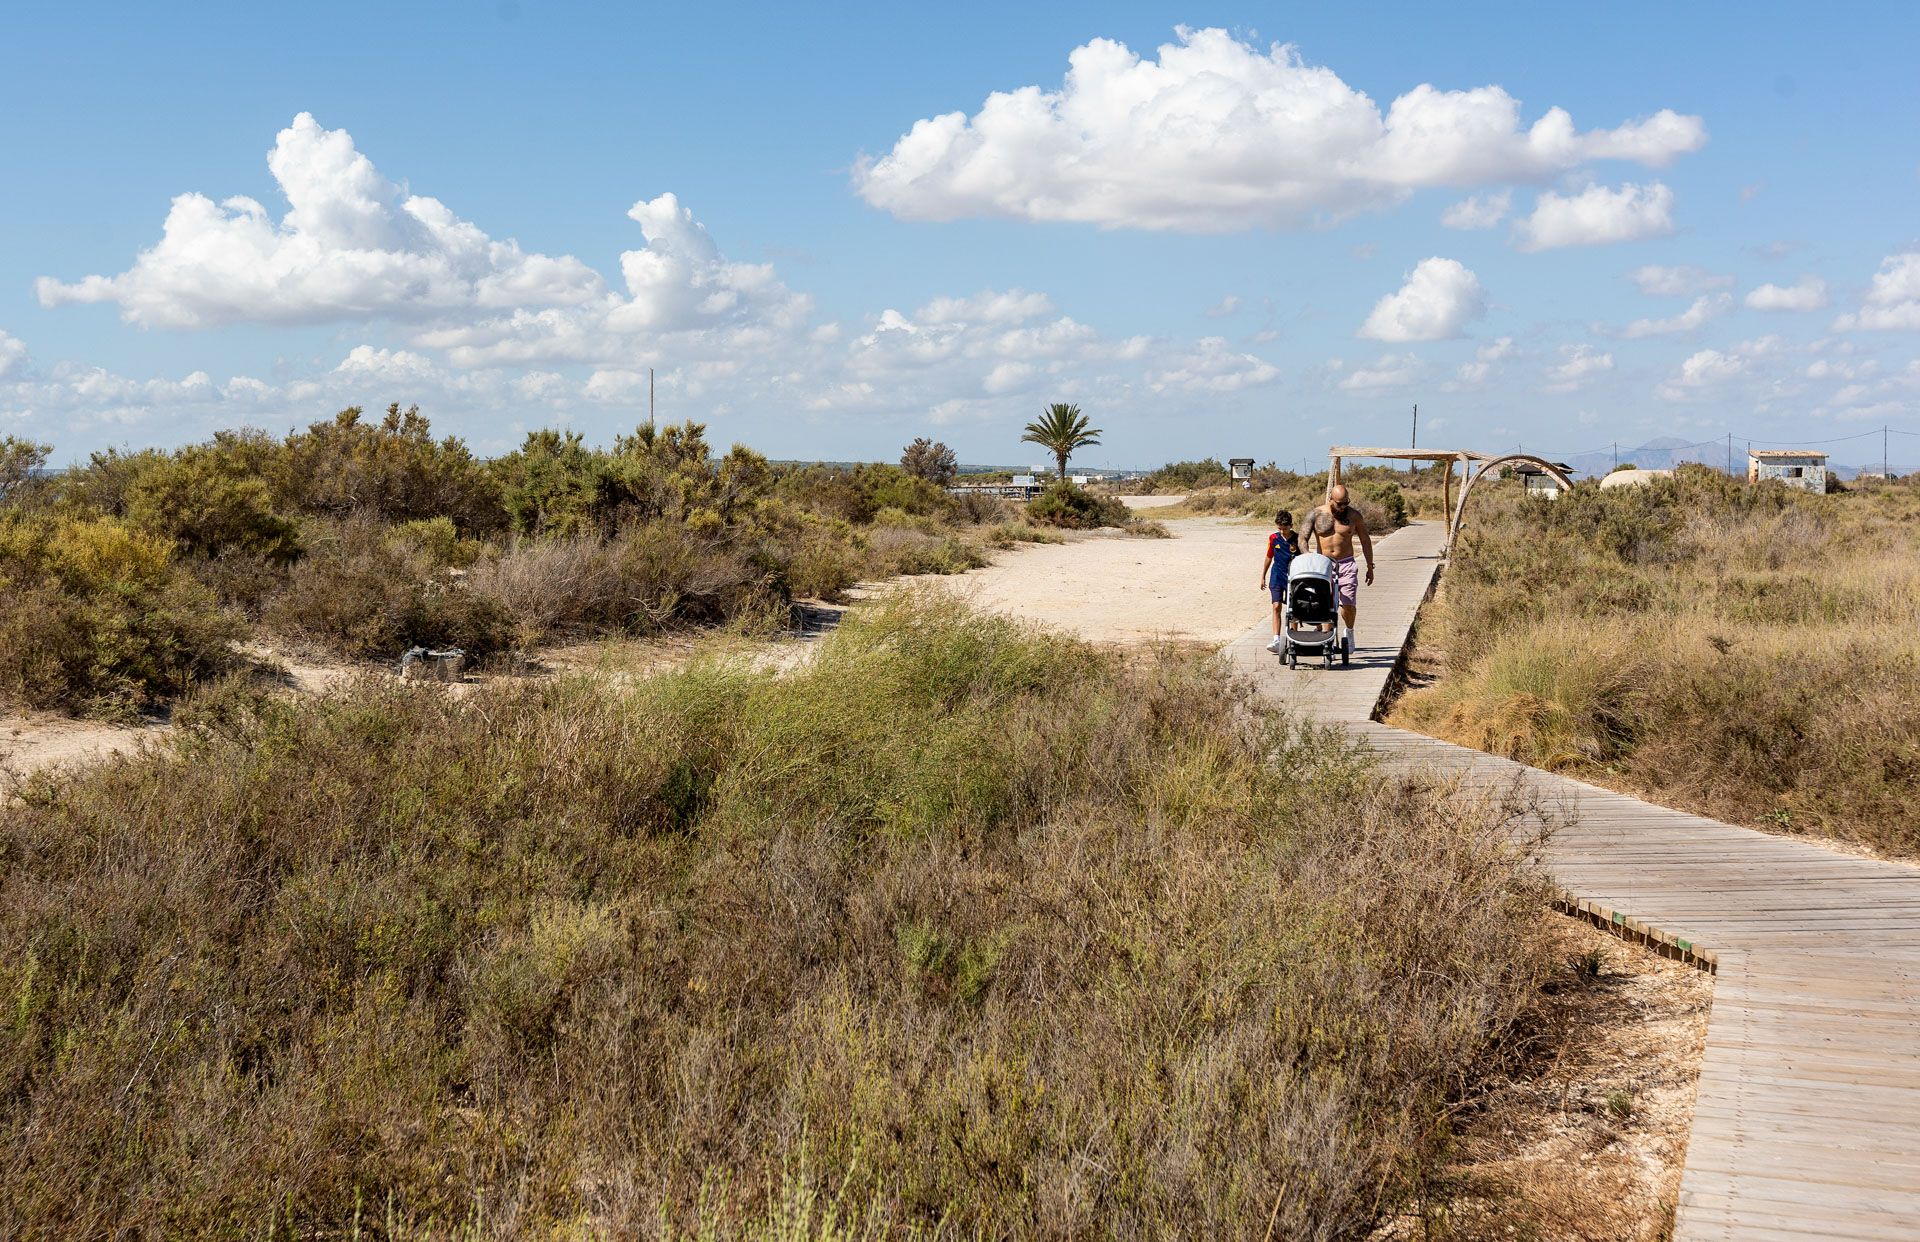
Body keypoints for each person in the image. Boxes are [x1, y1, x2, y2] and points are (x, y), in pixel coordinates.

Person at [1301, 484, 1374, 653]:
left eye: (1345, 503)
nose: (1342, 507)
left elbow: (1365, 540)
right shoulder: (1316, 514)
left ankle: (1349, 632)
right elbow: (1302, 538)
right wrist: (1308, 556)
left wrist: (1370, 566)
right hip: (1323, 563)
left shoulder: (1354, 516)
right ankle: (1324, 634)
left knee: (1348, 603)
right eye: (1339, 503)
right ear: (1331, 499)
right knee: (1323, 601)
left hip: (1346, 563)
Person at [1260, 510, 1300, 653]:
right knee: (1276, 606)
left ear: (1291, 525)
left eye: (1285, 528)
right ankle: (1276, 639)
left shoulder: (1298, 539)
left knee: (1293, 608)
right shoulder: (1273, 538)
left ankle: (1295, 639)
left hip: (1294, 577)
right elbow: (1269, 557)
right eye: (1279, 528)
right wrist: (1263, 576)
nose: (1282, 531)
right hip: (1277, 575)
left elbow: (1304, 556)